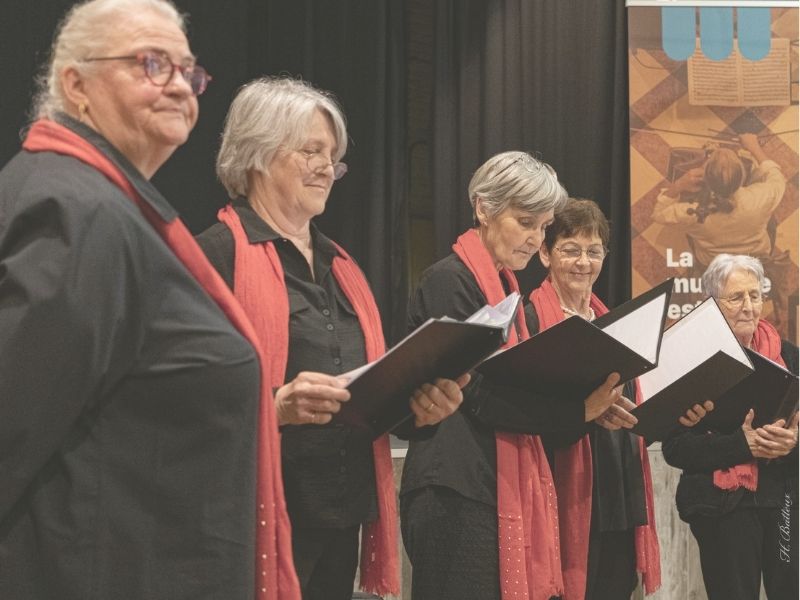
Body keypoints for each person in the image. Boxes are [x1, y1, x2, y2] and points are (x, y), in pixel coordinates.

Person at [0, 1, 298, 599]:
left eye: (188, 72)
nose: (178, 86)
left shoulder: (104, 207)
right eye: (151, 64)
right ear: (75, 86)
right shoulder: (79, 213)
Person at [196, 77, 467, 600]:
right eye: (311, 151)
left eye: (333, 157)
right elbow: (178, 399)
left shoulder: (343, 268)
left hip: (340, 513)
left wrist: (420, 410)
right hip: (254, 520)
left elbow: (367, 394)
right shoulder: (216, 257)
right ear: (256, 154)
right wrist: (274, 406)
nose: (327, 168)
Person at [398, 152, 633, 600]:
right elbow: (480, 394)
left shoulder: (506, 287)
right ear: (484, 208)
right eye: (526, 222)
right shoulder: (450, 280)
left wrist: (584, 406)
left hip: (485, 487)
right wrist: (579, 409)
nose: (534, 238)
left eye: (543, 226)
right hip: (452, 490)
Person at [529, 198, 714, 600]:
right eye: (570, 250)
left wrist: (678, 413)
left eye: (593, 251)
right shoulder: (531, 320)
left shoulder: (615, 323)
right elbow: (529, 414)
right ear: (544, 253)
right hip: (566, 496)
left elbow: (633, 412)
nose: (583, 262)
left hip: (618, 490)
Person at [663, 254, 799, 600]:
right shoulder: (692, 361)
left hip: (784, 499)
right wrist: (743, 445)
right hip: (721, 506)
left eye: (755, 295)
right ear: (711, 304)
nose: (748, 306)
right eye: (736, 297)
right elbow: (675, 448)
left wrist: (791, 442)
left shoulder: (790, 356)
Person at [652, 134, 785, 268]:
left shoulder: (692, 214)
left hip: (713, 263)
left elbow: (659, 213)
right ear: (743, 177)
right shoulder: (761, 198)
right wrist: (754, 147)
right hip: (755, 258)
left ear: (706, 180)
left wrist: (679, 184)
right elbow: (776, 177)